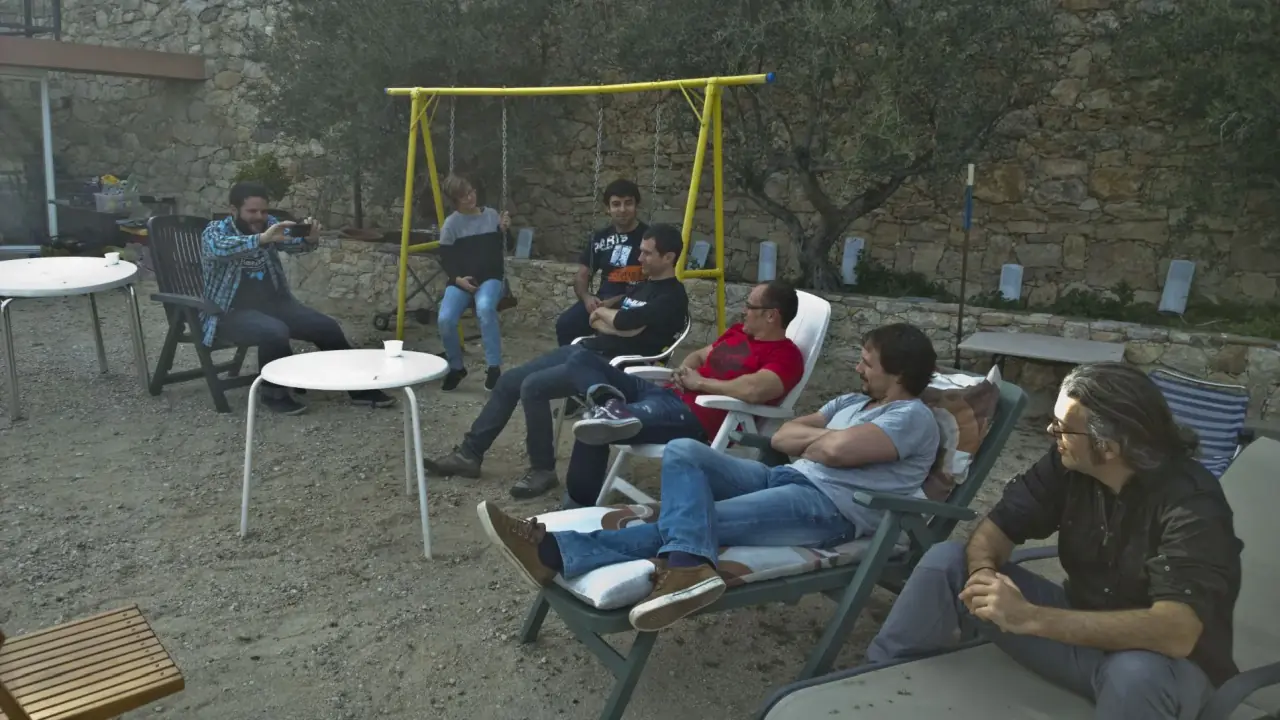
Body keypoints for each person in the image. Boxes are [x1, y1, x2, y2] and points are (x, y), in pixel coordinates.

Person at [475, 323, 941, 632]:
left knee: (700, 518)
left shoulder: (912, 417)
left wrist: (820, 444)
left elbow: (834, 450)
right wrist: (822, 444)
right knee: (684, 451)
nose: (858, 368)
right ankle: (688, 564)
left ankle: (556, 551)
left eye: (867, 363)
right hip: (784, 477)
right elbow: (784, 437)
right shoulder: (852, 403)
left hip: (827, 509)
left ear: (899, 373)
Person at [865, 362, 1243, 720]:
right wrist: (984, 577)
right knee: (947, 561)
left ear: (1108, 447)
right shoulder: (1069, 465)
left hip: (1164, 666)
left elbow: (1176, 632)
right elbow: (997, 528)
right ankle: (868, 693)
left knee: (1135, 674)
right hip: (1078, 632)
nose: (1051, 433)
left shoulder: (1191, 505)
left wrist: (1029, 617)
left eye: (1062, 428)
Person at [424, 223, 690, 499]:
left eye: (647, 253)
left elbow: (625, 322)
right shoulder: (643, 287)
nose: (639, 257)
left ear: (668, 257)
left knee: (533, 387)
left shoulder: (672, 297)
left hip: (611, 367)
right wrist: (611, 320)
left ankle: (543, 470)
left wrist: (612, 320)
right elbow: (606, 320)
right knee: (509, 381)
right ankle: (469, 454)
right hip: (586, 351)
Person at [560, 281, 806, 507]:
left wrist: (701, 383)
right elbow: (699, 356)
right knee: (580, 359)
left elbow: (753, 390)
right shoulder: (738, 332)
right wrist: (684, 369)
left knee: (595, 425)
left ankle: (576, 505)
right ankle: (608, 404)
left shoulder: (786, 356)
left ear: (771, 315)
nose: (744, 311)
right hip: (665, 395)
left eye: (750, 306)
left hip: (691, 416)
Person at [200, 181, 396, 415]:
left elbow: (293, 245)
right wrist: (263, 238)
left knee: (326, 327)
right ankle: (273, 394)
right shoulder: (215, 231)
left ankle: (360, 388)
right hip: (229, 313)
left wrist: (308, 239)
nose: (259, 217)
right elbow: (218, 248)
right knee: (274, 330)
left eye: (263, 211)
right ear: (233, 210)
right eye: (252, 211)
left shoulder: (270, 225)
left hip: (275, 306)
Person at [435, 173, 512, 392]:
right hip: (461, 280)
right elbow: (445, 257)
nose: (470, 198)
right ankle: (456, 367)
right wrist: (457, 279)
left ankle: (494, 367)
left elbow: (507, 246)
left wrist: (505, 230)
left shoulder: (491, 216)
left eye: (471, 192)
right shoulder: (451, 224)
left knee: (485, 307)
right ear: (455, 201)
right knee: (445, 319)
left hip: (490, 277)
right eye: (463, 196)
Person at [555, 179, 648, 347]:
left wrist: (616, 300)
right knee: (566, 324)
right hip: (601, 302)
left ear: (636, 205)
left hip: (634, 303)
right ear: (608, 208)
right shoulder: (600, 238)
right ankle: (569, 361)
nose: (622, 210)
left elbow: (655, 281)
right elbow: (582, 275)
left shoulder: (648, 238)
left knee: (611, 337)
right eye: (616, 204)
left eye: (628, 203)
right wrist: (587, 297)